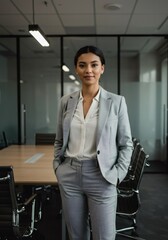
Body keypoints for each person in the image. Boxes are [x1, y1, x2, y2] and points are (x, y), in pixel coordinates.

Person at [53, 45, 133, 240]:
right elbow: (59, 140)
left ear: (102, 68)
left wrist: (116, 176)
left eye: (94, 65)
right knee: (76, 235)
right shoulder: (66, 101)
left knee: (104, 236)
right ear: (76, 69)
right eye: (82, 65)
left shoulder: (116, 102)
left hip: (102, 176)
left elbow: (126, 144)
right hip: (70, 175)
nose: (88, 70)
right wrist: (58, 167)